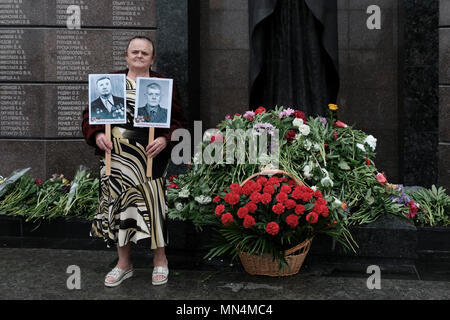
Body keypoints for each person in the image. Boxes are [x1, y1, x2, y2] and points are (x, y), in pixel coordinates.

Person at [82, 36, 186, 287]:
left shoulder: (161, 84)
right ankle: (123, 263)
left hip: (149, 158)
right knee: (118, 209)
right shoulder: (111, 82)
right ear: (126, 55)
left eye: (145, 53)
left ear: (152, 58)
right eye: (135, 52)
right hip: (115, 159)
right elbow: (88, 116)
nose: (139, 56)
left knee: (153, 207)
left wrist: (165, 138)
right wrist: (96, 135)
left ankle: (160, 260)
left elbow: (179, 121)